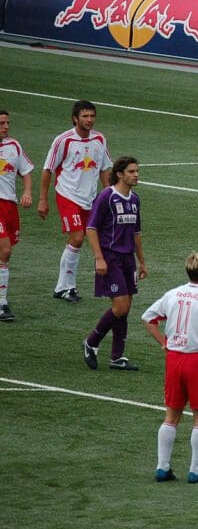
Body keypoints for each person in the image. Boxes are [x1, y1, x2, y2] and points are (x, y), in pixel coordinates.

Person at [142, 252, 198, 484]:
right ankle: (195, 470)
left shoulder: (172, 294)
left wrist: (164, 343)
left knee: (171, 415)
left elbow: (147, 318)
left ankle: (162, 467)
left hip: (174, 360)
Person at [38, 99, 113, 304]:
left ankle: (61, 287)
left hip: (90, 198)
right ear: (75, 118)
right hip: (67, 194)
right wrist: (43, 199)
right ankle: (68, 286)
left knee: (79, 241)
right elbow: (48, 169)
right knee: (78, 237)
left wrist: (109, 195)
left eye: (92, 116)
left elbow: (105, 168)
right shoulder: (64, 140)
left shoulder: (99, 139)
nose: (89, 120)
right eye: (85, 116)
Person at [82, 157, 147, 371]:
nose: (136, 175)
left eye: (137, 171)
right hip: (110, 257)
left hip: (128, 258)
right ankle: (91, 342)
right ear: (120, 174)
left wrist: (142, 262)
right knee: (120, 305)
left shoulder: (134, 199)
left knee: (125, 307)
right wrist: (99, 258)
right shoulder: (107, 196)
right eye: (131, 171)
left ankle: (117, 357)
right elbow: (91, 228)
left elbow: (136, 233)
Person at [0, 111, 34, 323]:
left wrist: (27, 191)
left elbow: (26, 171)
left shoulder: (14, 146)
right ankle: (2, 303)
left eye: (7, 123)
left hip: (10, 206)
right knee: (5, 250)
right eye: (1, 123)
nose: (5, 126)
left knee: (5, 254)